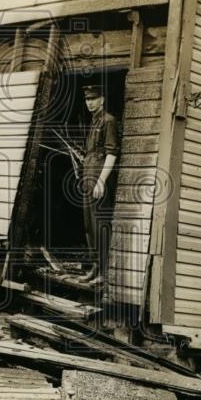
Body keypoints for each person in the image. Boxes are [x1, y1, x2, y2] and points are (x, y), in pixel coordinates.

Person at [80, 83, 119, 287]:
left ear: (102, 100)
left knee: (100, 225)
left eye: (93, 99)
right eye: (87, 99)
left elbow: (112, 152)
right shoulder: (94, 121)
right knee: (89, 226)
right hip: (88, 178)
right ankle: (95, 266)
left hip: (98, 181)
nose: (90, 102)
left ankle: (104, 272)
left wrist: (101, 181)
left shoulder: (108, 121)